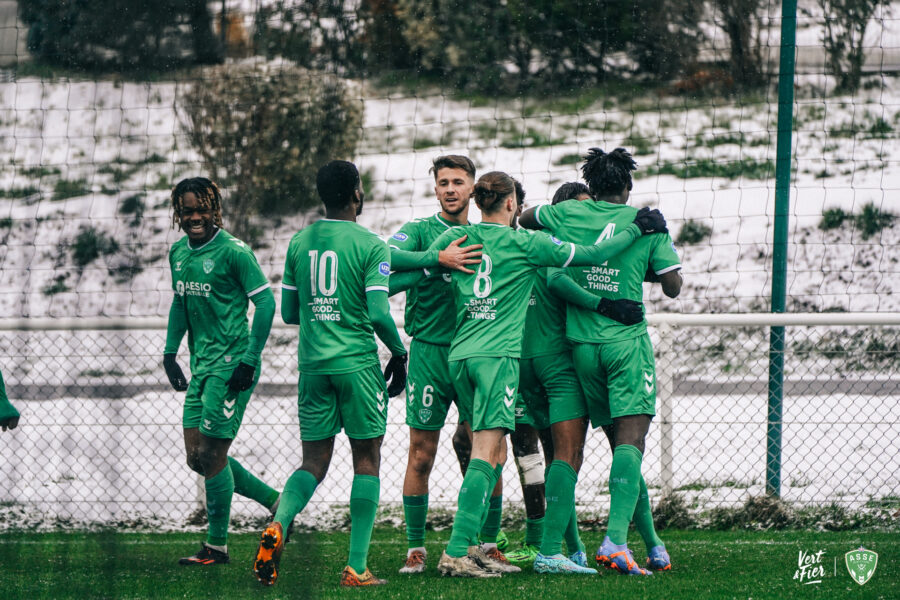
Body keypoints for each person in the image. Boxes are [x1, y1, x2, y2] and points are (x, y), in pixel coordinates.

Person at [427, 171, 667, 578]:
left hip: (462, 355)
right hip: (533, 360)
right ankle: (482, 549)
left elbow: (400, 267)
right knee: (577, 453)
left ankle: (491, 545)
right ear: (510, 204)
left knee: (501, 453)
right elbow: (589, 257)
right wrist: (636, 229)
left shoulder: (457, 239)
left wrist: (433, 259)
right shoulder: (531, 247)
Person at [520, 148, 682, 575]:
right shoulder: (644, 223)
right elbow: (672, 287)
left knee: (590, 450)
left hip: (580, 350)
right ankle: (614, 541)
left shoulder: (567, 214)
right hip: (625, 345)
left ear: (590, 188)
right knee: (629, 445)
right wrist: (647, 254)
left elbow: (527, 217)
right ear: (627, 187)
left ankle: (650, 546)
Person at [253, 160, 408, 588]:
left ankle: (280, 522)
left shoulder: (300, 241)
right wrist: (398, 352)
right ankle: (356, 568)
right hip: (357, 365)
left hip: (313, 367)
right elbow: (378, 311)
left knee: (313, 463)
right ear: (357, 193)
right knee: (367, 460)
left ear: (322, 196)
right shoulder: (371, 244)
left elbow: (288, 311)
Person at [163, 177, 280, 566]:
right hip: (202, 366)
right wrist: (169, 352)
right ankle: (277, 503)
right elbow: (180, 304)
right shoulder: (178, 253)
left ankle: (216, 546)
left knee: (212, 452)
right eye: (187, 210)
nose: (195, 217)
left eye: (202, 209)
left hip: (232, 365)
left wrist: (250, 359)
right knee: (197, 457)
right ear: (177, 213)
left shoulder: (234, 252)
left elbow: (265, 305)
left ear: (215, 210)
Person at [386, 155, 493, 574]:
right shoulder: (418, 231)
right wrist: (435, 259)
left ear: (472, 189)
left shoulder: (487, 233)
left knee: (485, 447)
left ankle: (486, 543)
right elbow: (385, 261)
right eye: (443, 182)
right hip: (429, 353)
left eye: (458, 182)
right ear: (435, 189)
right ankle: (416, 547)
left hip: (475, 352)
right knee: (421, 454)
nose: (450, 189)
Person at [509, 181, 617, 575]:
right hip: (558, 362)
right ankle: (550, 552)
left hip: (522, 362)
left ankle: (574, 549)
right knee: (569, 456)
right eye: (581, 211)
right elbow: (558, 282)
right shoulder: (561, 250)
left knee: (556, 459)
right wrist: (607, 303)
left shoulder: (524, 243)